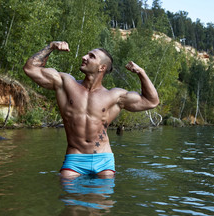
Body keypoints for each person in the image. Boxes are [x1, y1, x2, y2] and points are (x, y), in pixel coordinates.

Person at [23, 41, 159, 178]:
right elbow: (30, 69)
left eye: (91, 56)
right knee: (68, 197)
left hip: (104, 160)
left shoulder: (115, 96)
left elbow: (151, 101)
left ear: (102, 67)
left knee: (101, 198)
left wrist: (142, 73)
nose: (84, 57)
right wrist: (51, 46)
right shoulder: (65, 83)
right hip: (75, 159)